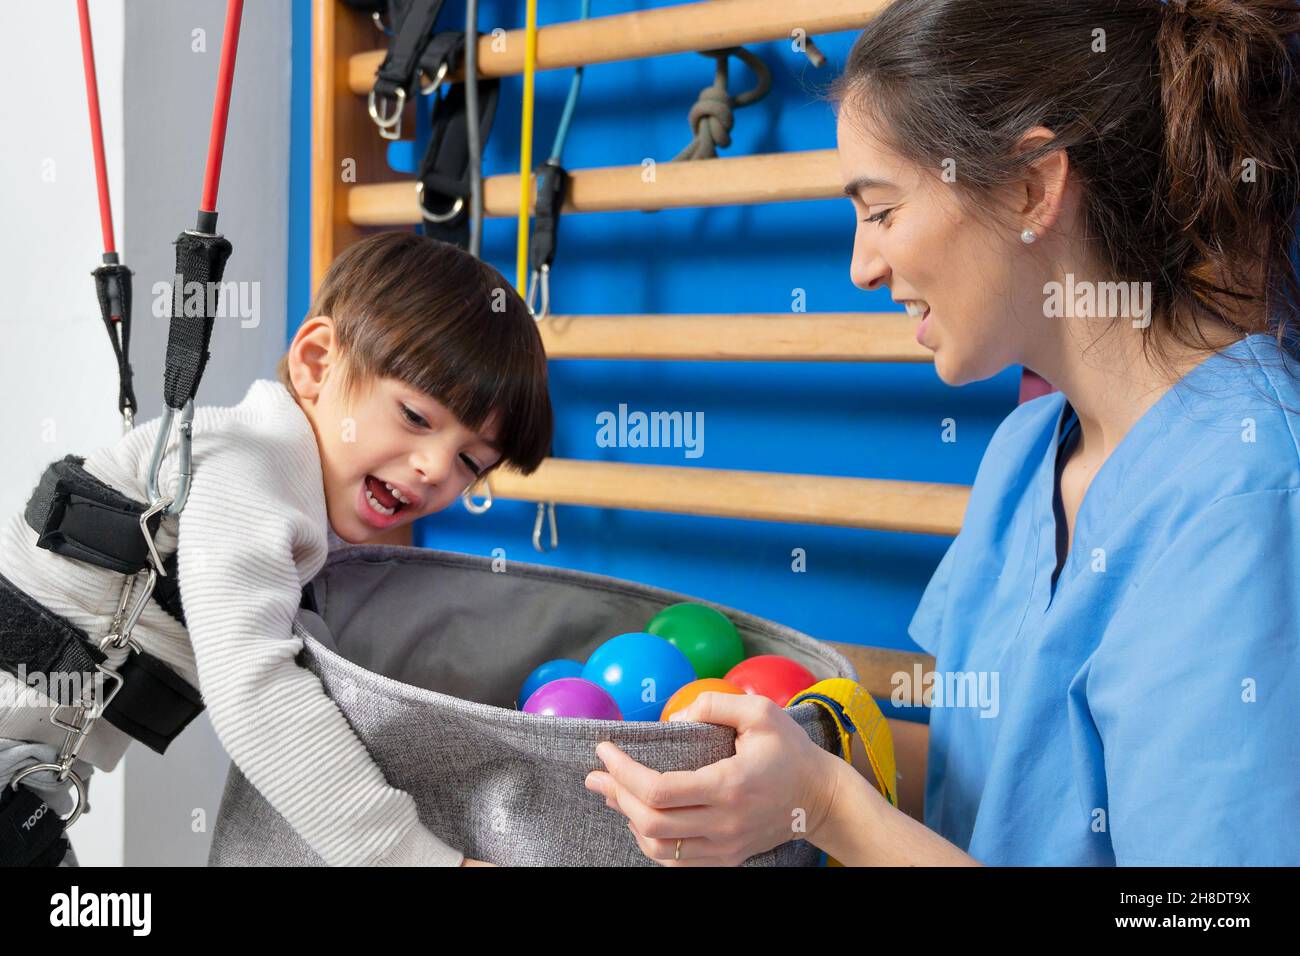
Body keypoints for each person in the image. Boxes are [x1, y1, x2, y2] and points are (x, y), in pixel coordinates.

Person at [585, 0, 1300, 866]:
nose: (861, 266)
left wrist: (829, 808)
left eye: (881, 211)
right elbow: (983, 787)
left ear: (1031, 188)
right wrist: (788, 763)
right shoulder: (1024, 454)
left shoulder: (1250, 497)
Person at [0, 232, 551, 866]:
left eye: (468, 460)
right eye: (416, 418)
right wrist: (415, 858)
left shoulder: (281, 490)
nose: (433, 467)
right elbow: (256, 691)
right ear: (317, 363)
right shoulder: (251, 471)